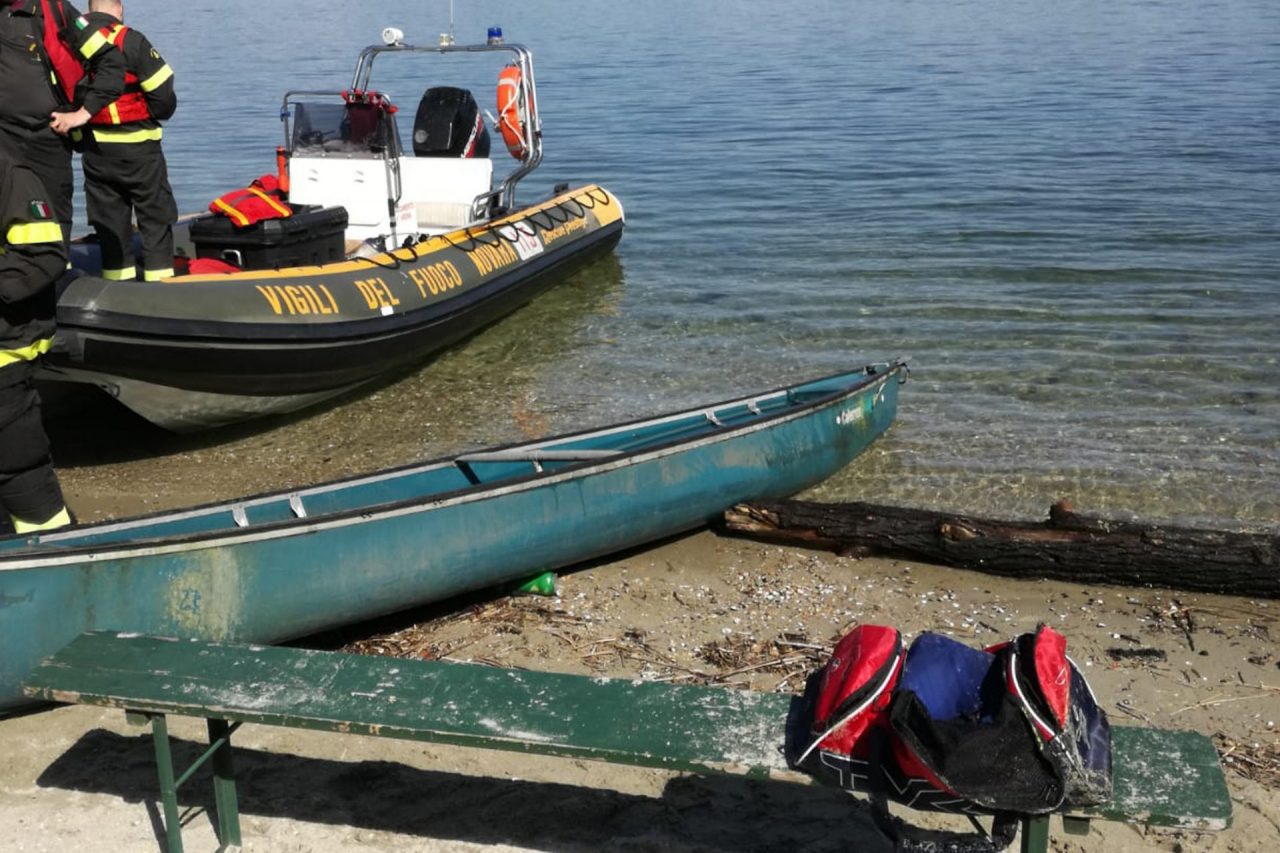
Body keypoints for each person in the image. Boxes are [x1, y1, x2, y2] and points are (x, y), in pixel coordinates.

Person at [0, 0, 125, 251]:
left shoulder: (55, 10)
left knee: (54, 223)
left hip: (48, 139)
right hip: (4, 140)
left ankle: (58, 271)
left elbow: (110, 61)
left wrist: (83, 113)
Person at [0, 142, 72, 533]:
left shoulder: (10, 174)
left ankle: (64, 552)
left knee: (20, 472)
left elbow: (43, 253)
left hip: (4, 357)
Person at [80, 0, 177, 281]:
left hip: (96, 152)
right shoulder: (131, 41)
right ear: (119, 8)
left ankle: (117, 287)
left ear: (90, 9)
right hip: (140, 147)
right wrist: (155, 113)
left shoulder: (74, 42)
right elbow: (162, 95)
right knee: (155, 218)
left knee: (109, 223)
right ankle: (160, 287)